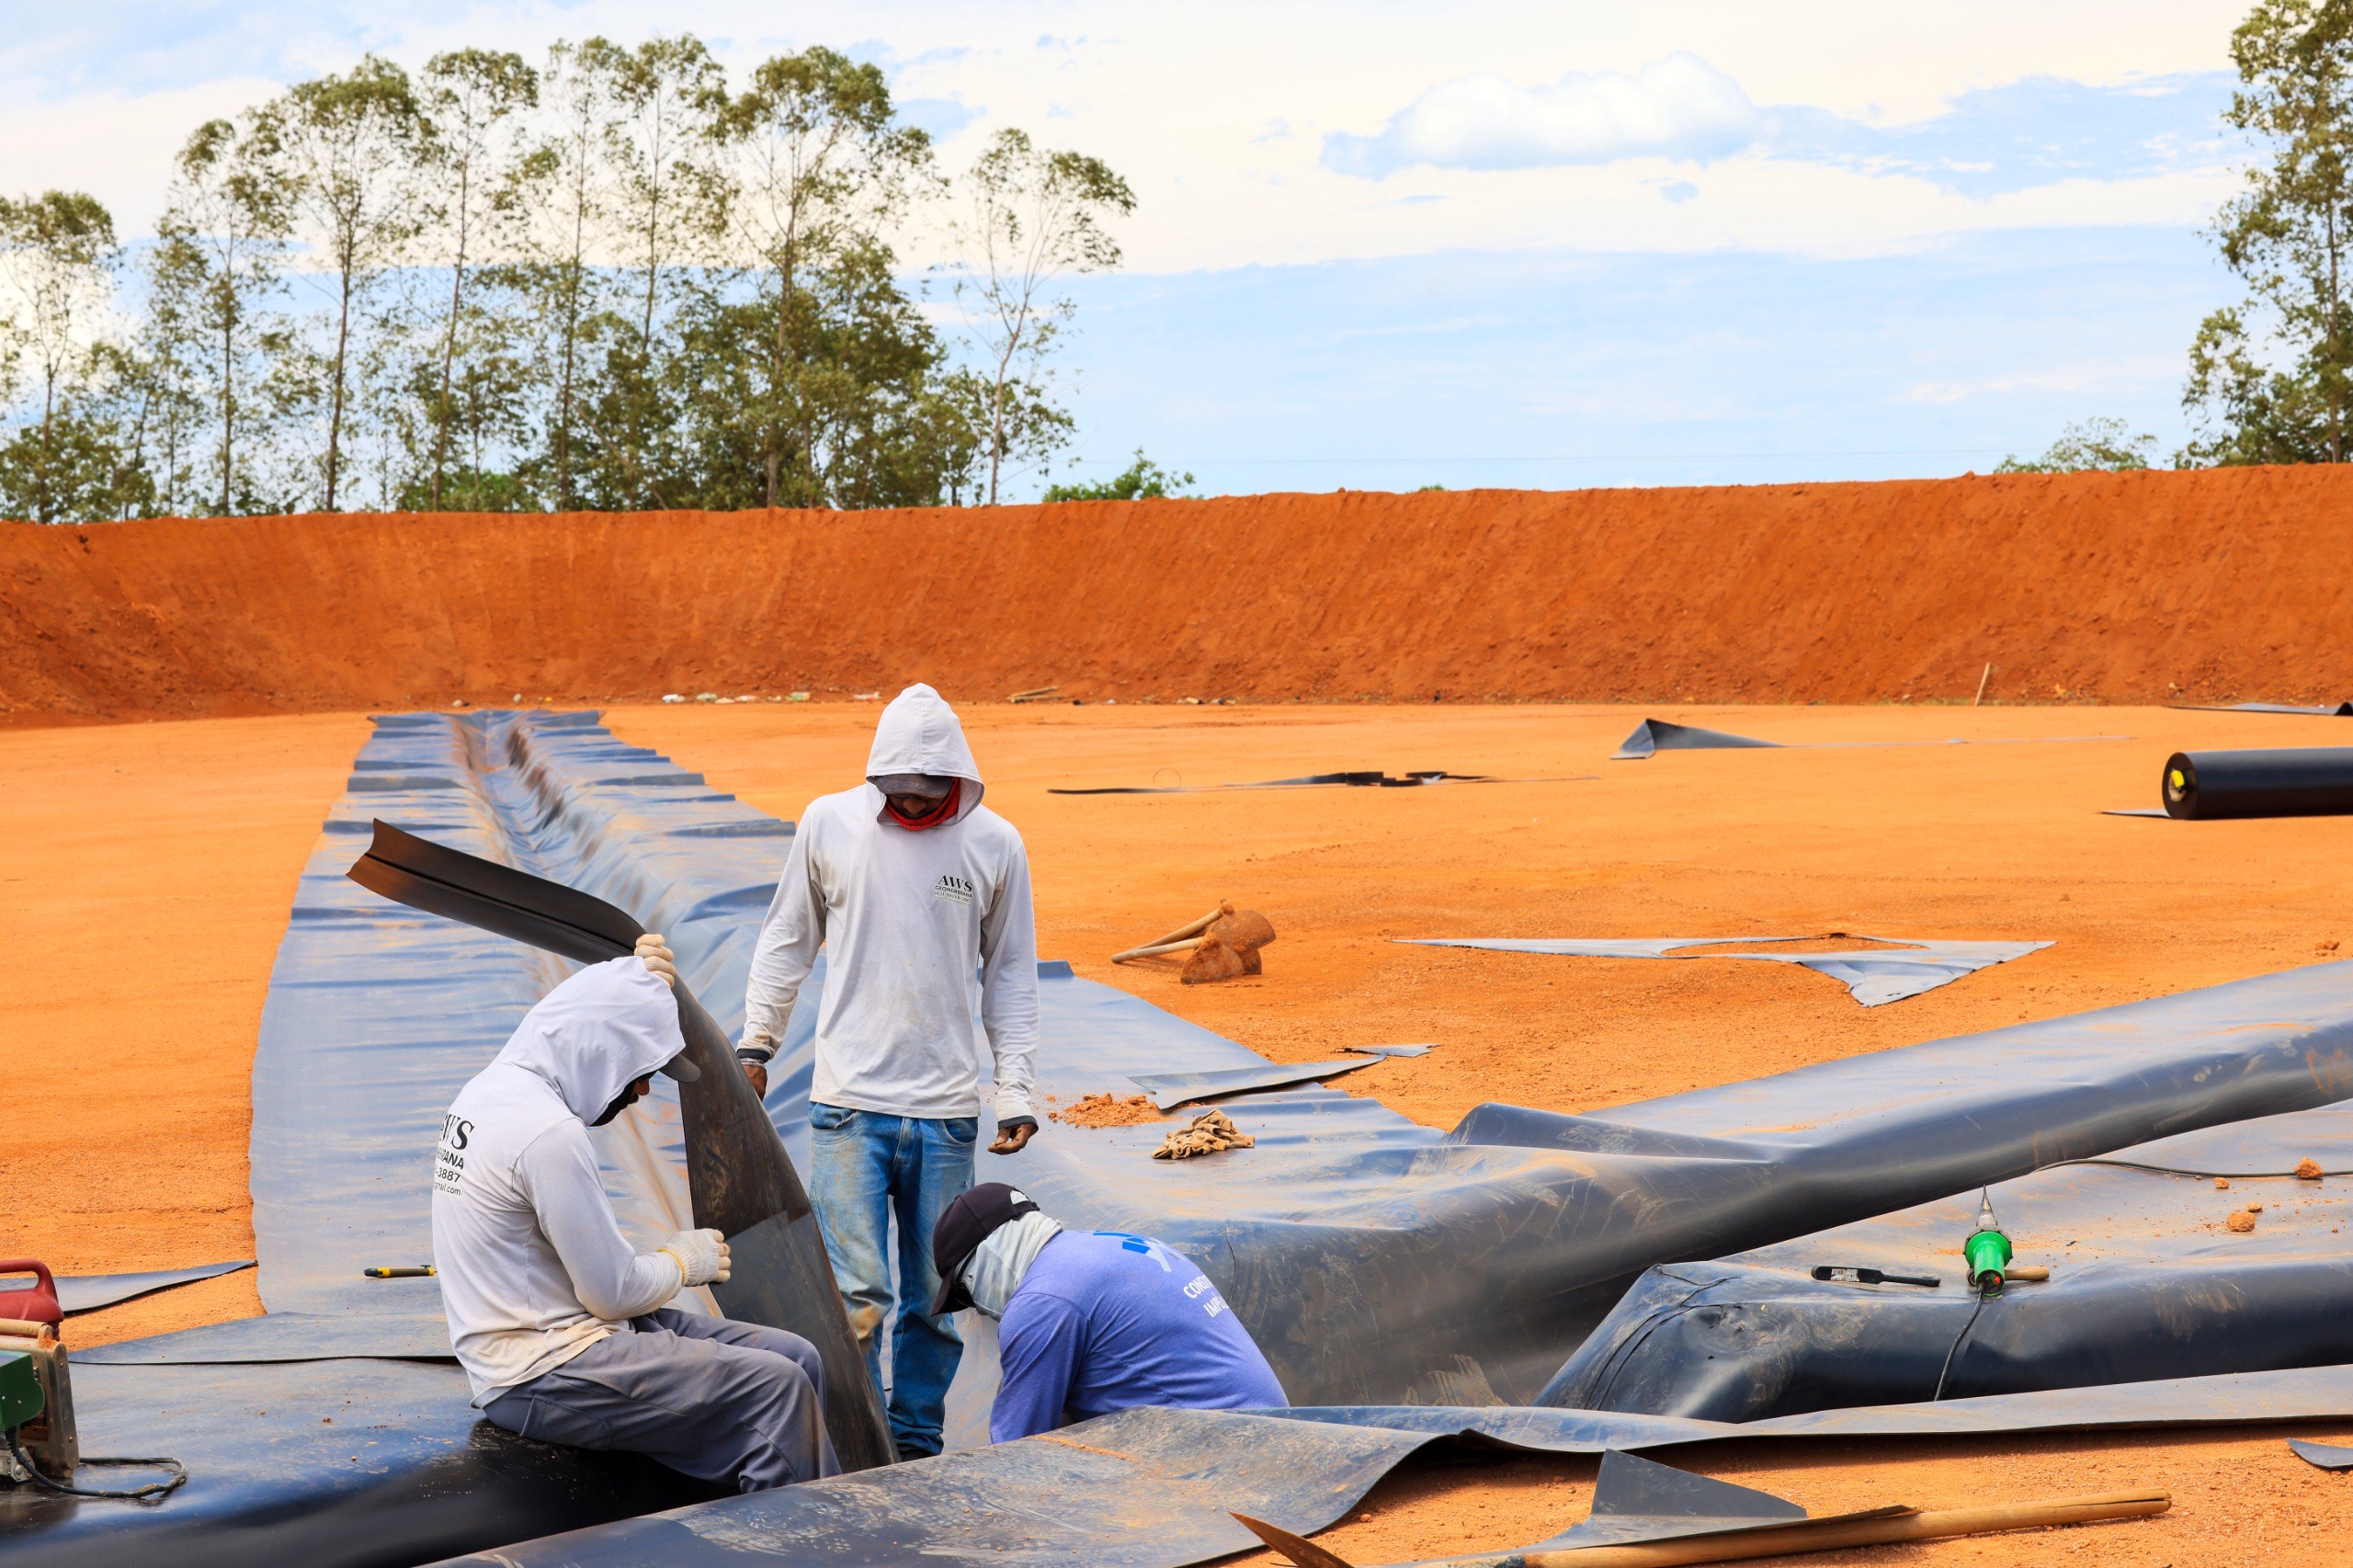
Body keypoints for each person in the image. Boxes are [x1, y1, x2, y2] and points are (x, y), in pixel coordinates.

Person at [738, 682, 1041, 1461]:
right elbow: (785, 940)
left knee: (935, 1301)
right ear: (878, 779)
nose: (911, 806)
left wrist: (1013, 1089)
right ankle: (862, 1444)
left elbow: (1010, 974)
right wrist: (756, 1043)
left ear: (955, 781)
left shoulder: (994, 844)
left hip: (943, 1114)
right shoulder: (829, 824)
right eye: (897, 792)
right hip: (848, 1108)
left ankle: (914, 1445)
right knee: (857, 1296)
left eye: (926, 793)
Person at [431, 936, 836, 1492]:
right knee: (778, 1386)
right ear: (602, 1051)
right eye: (641, 1068)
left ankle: (753, 1512)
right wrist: (680, 1260)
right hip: (541, 1370)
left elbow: (582, 1012)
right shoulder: (547, 1135)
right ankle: (813, 1544)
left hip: (564, 1335)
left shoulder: (493, 1092)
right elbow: (612, 1295)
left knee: (796, 1356)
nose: (644, 1088)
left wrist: (630, 977)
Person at [930, 1183, 1289, 1443]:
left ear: (985, 1259)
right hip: (1285, 1435)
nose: (975, 1307)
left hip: (1230, 1452)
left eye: (963, 1291)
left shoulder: (1044, 1300)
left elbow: (1015, 1448)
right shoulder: (1101, 1247)